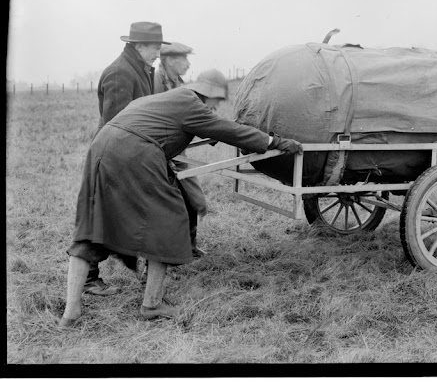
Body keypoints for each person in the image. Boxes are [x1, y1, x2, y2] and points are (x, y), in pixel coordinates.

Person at [59, 69, 302, 326]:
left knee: (94, 224)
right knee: (169, 220)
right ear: (208, 94)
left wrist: (209, 130)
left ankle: (70, 313)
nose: (217, 106)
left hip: (101, 148)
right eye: (217, 101)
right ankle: (152, 304)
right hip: (135, 153)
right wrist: (273, 141)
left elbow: (185, 126)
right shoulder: (190, 103)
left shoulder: (165, 99)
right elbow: (228, 129)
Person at [85, 21, 169, 297]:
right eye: (155, 48)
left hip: (132, 153)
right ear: (139, 46)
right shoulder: (121, 74)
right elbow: (119, 125)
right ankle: (88, 279)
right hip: (116, 157)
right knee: (105, 215)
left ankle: (147, 270)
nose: (158, 53)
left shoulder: (142, 70)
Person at [154, 42, 207, 258]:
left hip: (177, 151)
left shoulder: (177, 81)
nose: (188, 64)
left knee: (192, 198)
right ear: (169, 61)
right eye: (184, 59)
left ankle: (189, 245)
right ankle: (167, 253)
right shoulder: (156, 81)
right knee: (171, 202)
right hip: (161, 150)